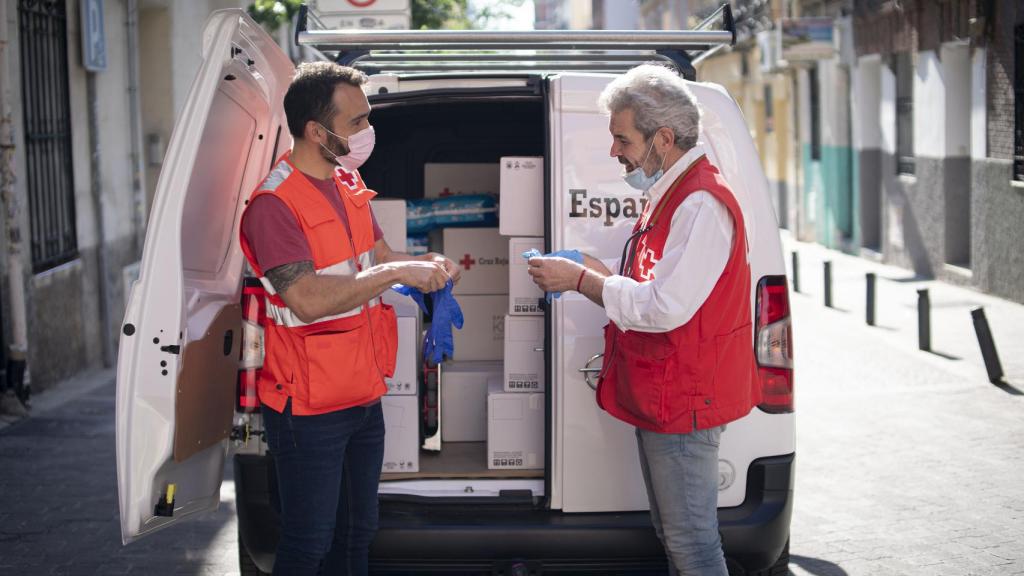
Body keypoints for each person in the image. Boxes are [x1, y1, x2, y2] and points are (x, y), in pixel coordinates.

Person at [526, 64, 761, 576]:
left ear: (664, 138)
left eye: (622, 138)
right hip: (670, 396)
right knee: (677, 539)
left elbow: (665, 307)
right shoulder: (675, 194)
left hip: (684, 399)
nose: (615, 151)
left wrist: (580, 281)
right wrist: (594, 271)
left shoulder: (700, 201)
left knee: (693, 546)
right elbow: (656, 287)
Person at [239, 62, 459, 576]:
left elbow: (377, 256)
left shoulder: (346, 180)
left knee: (358, 535)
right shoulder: (274, 205)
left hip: (361, 390)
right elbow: (308, 299)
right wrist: (397, 272)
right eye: (357, 122)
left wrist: (426, 267)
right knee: (308, 541)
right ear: (318, 131)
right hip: (307, 403)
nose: (368, 132)